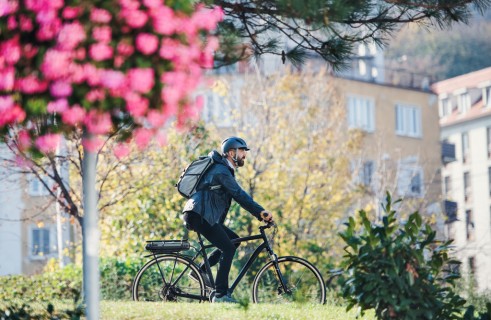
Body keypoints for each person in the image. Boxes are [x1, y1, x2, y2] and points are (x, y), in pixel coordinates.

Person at [182, 136, 273, 303]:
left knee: (234, 239)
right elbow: (238, 194)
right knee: (228, 248)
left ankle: (201, 270)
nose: (245, 154)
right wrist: (261, 212)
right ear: (231, 153)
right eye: (242, 151)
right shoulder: (221, 171)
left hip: (203, 215)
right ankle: (220, 295)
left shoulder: (223, 170)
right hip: (199, 215)